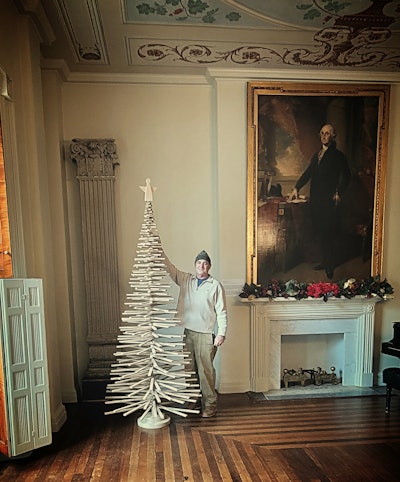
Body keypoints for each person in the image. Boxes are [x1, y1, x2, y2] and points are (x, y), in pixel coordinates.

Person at [162, 249, 227, 418]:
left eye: (205, 263)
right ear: (195, 265)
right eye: (199, 263)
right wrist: (159, 250)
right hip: (188, 332)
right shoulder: (186, 279)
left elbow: (222, 311)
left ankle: (210, 404)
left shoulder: (215, 285)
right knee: (189, 369)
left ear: (209, 266)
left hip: (206, 334)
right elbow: (170, 268)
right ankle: (194, 399)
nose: (201, 266)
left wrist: (221, 333)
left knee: (205, 371)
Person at [288, 123, 351, 279]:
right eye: (322, 133)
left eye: (327, 133)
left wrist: (339, 192)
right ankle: (325, 261)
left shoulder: (338, 156)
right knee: (320, 233)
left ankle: (329, 266)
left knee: (328, 233)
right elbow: (308, 173)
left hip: (329, 202)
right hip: (316, 201)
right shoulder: (317, 155)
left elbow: (347, 176)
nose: (324, 136)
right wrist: (297, 187)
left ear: (333, 136)